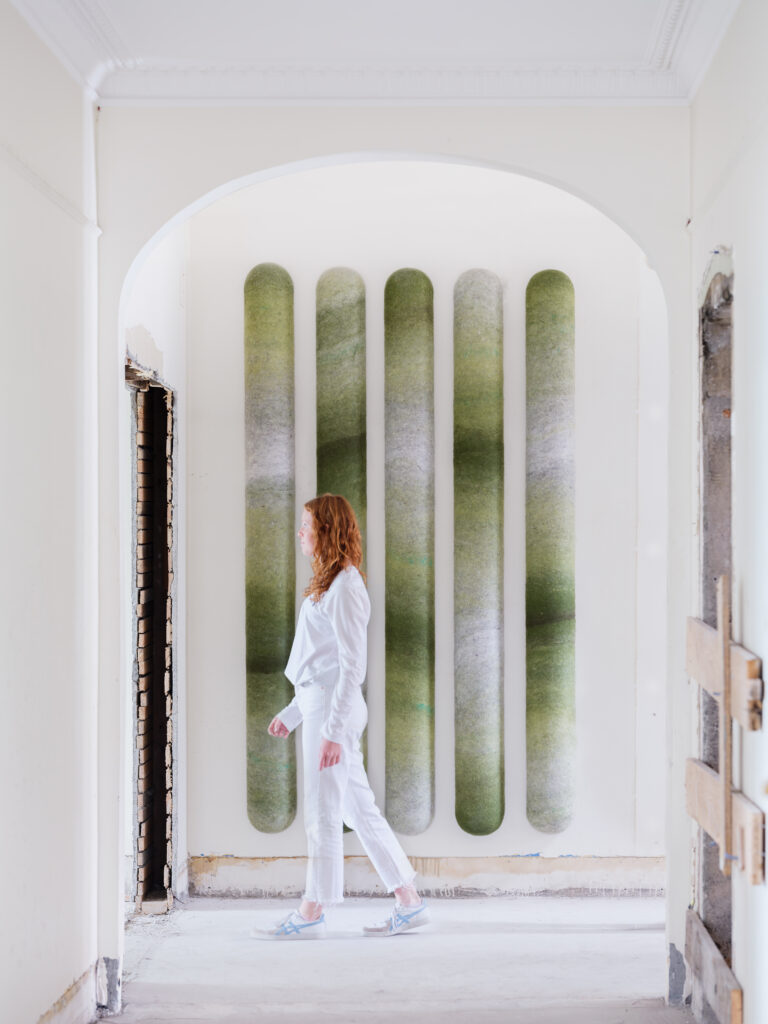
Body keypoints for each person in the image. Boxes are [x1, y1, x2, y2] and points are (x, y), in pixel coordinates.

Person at [252, 493, 429, 940]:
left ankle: (311, 911)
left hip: (333, 713)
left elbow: (351, 667)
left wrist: (330, 731)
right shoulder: (329, 583)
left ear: (326, 531)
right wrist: (294, 712)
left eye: (307, 526)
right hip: (321, 706)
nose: (300, 532)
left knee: (322, 811)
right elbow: (321, 662)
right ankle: (409, 901)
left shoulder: (347, 587)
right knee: (358, 808)